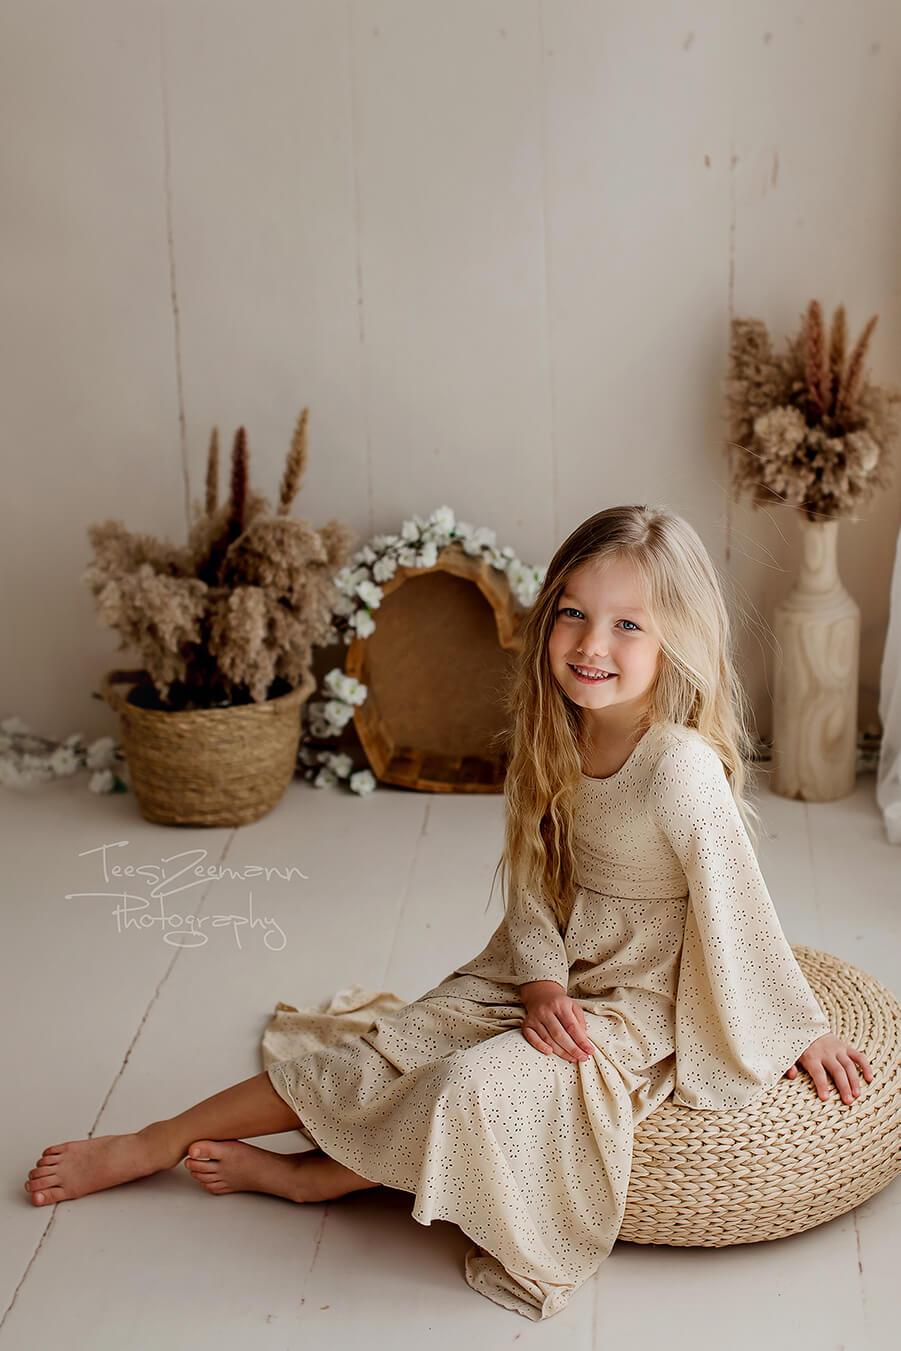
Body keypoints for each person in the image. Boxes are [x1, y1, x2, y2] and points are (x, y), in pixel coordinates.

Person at [24, 504, 874, 1322]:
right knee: (386, 1050)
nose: (589, 645)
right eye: (573, 613)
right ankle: (153, 1139)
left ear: (675, 638)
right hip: (543, 960)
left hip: (640, 992)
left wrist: (798, 1025)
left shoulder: (677, 766)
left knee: (472, 1083)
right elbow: (538, 880)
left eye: (628, 625)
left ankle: (322, 1178)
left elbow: (736, 901)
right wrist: (539, 981)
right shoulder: (551, 730)